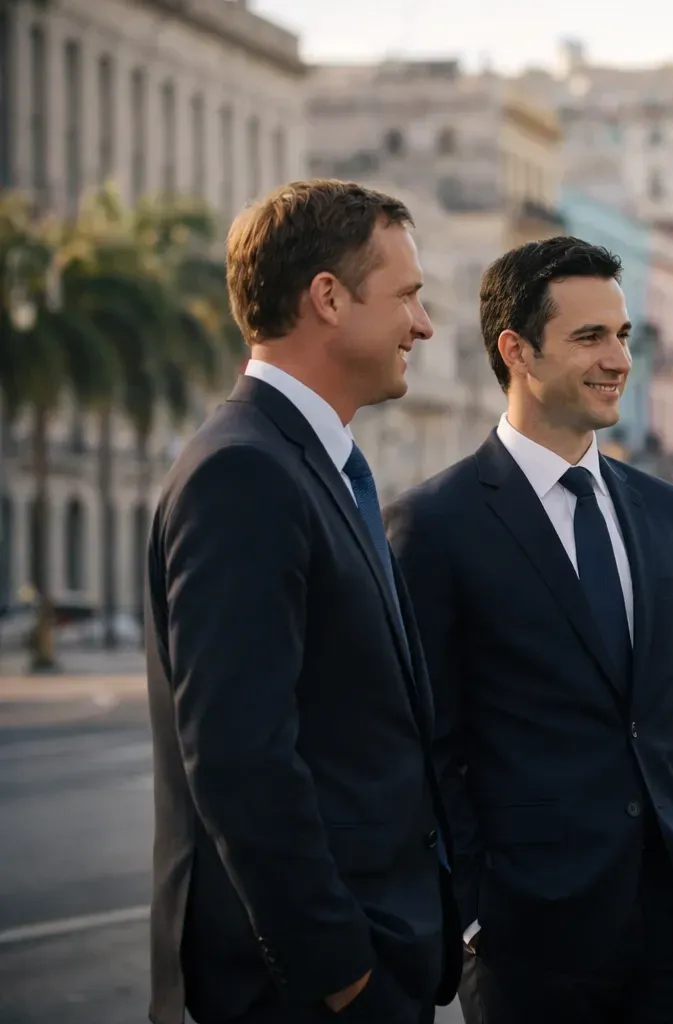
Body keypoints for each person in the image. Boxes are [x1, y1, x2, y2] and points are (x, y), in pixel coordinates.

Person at [385, 236, 673, 1023]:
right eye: (589, 337)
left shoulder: (667, 513)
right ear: (516, 350)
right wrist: (476, 911)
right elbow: (428, 743)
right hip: (533, 942)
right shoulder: (434, 525)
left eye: (623, 336)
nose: (618, 360)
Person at [144, 180, 458, 1024]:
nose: (421, 326)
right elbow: (241, 758)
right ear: (328, 297)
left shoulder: (311, 466)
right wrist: (345, 976)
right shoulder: (242, 473)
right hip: (299, 992)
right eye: (407, 297)